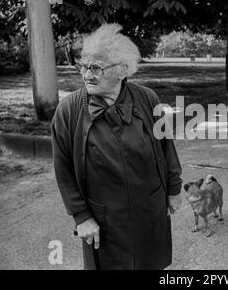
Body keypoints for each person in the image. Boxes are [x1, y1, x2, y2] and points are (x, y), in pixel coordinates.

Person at [51, 23, 183, 270]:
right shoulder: (69, 110)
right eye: (84, 66)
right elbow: (63, 167)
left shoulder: (148, 98)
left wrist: (173, 188)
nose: (87, 75)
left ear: (123, 70)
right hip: (103, 219)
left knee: (150, 264)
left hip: (149, 207)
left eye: (96, 68)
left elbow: (166, 148)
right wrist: (81, 216)